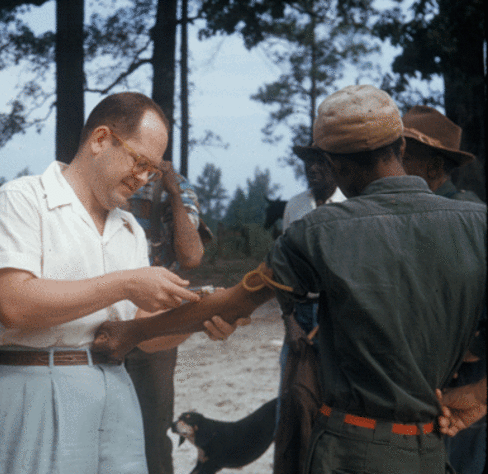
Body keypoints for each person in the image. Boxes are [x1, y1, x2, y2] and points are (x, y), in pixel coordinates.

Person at [92, 84, 487, 474]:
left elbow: (233, 303)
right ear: (400, 147)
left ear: (330, 162)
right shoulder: (476, 224)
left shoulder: (321, 232)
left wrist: (131, 333)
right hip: (431, 451)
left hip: (349, 451)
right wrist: (477, 395)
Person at [0, 91, 234, 474]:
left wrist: (199, 319)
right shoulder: (22, 200)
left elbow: (142, 331)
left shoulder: (128, 229)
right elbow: (13, 304)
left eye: (153, 171)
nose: (143, 179)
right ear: (99, 139)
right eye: (139, 161)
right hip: (30, 389)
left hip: (115, 391)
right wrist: (124, 284)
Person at [400, 104, 486, 474]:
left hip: (462, 385)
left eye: (403, 158)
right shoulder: (420, 218)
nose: (391, 169)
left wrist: (472, 347)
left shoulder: (464, 217)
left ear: (434, 167)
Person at [122, 162, 211, 474]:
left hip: (156, 324)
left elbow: (191, 256)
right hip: (102, 317)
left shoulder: (173, 186)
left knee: (153, 431)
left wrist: (172, 193)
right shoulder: (103, 181)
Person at [273, 146, 345, 473]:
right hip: (300, 314)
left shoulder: (351, 206)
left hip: (338, 317)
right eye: (309, 163)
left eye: (322, 161)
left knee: (330, 403)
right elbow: (282, 269)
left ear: (336, 165)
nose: (314, 169)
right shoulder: (295, 206)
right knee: (291, 400)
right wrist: (290, 321)